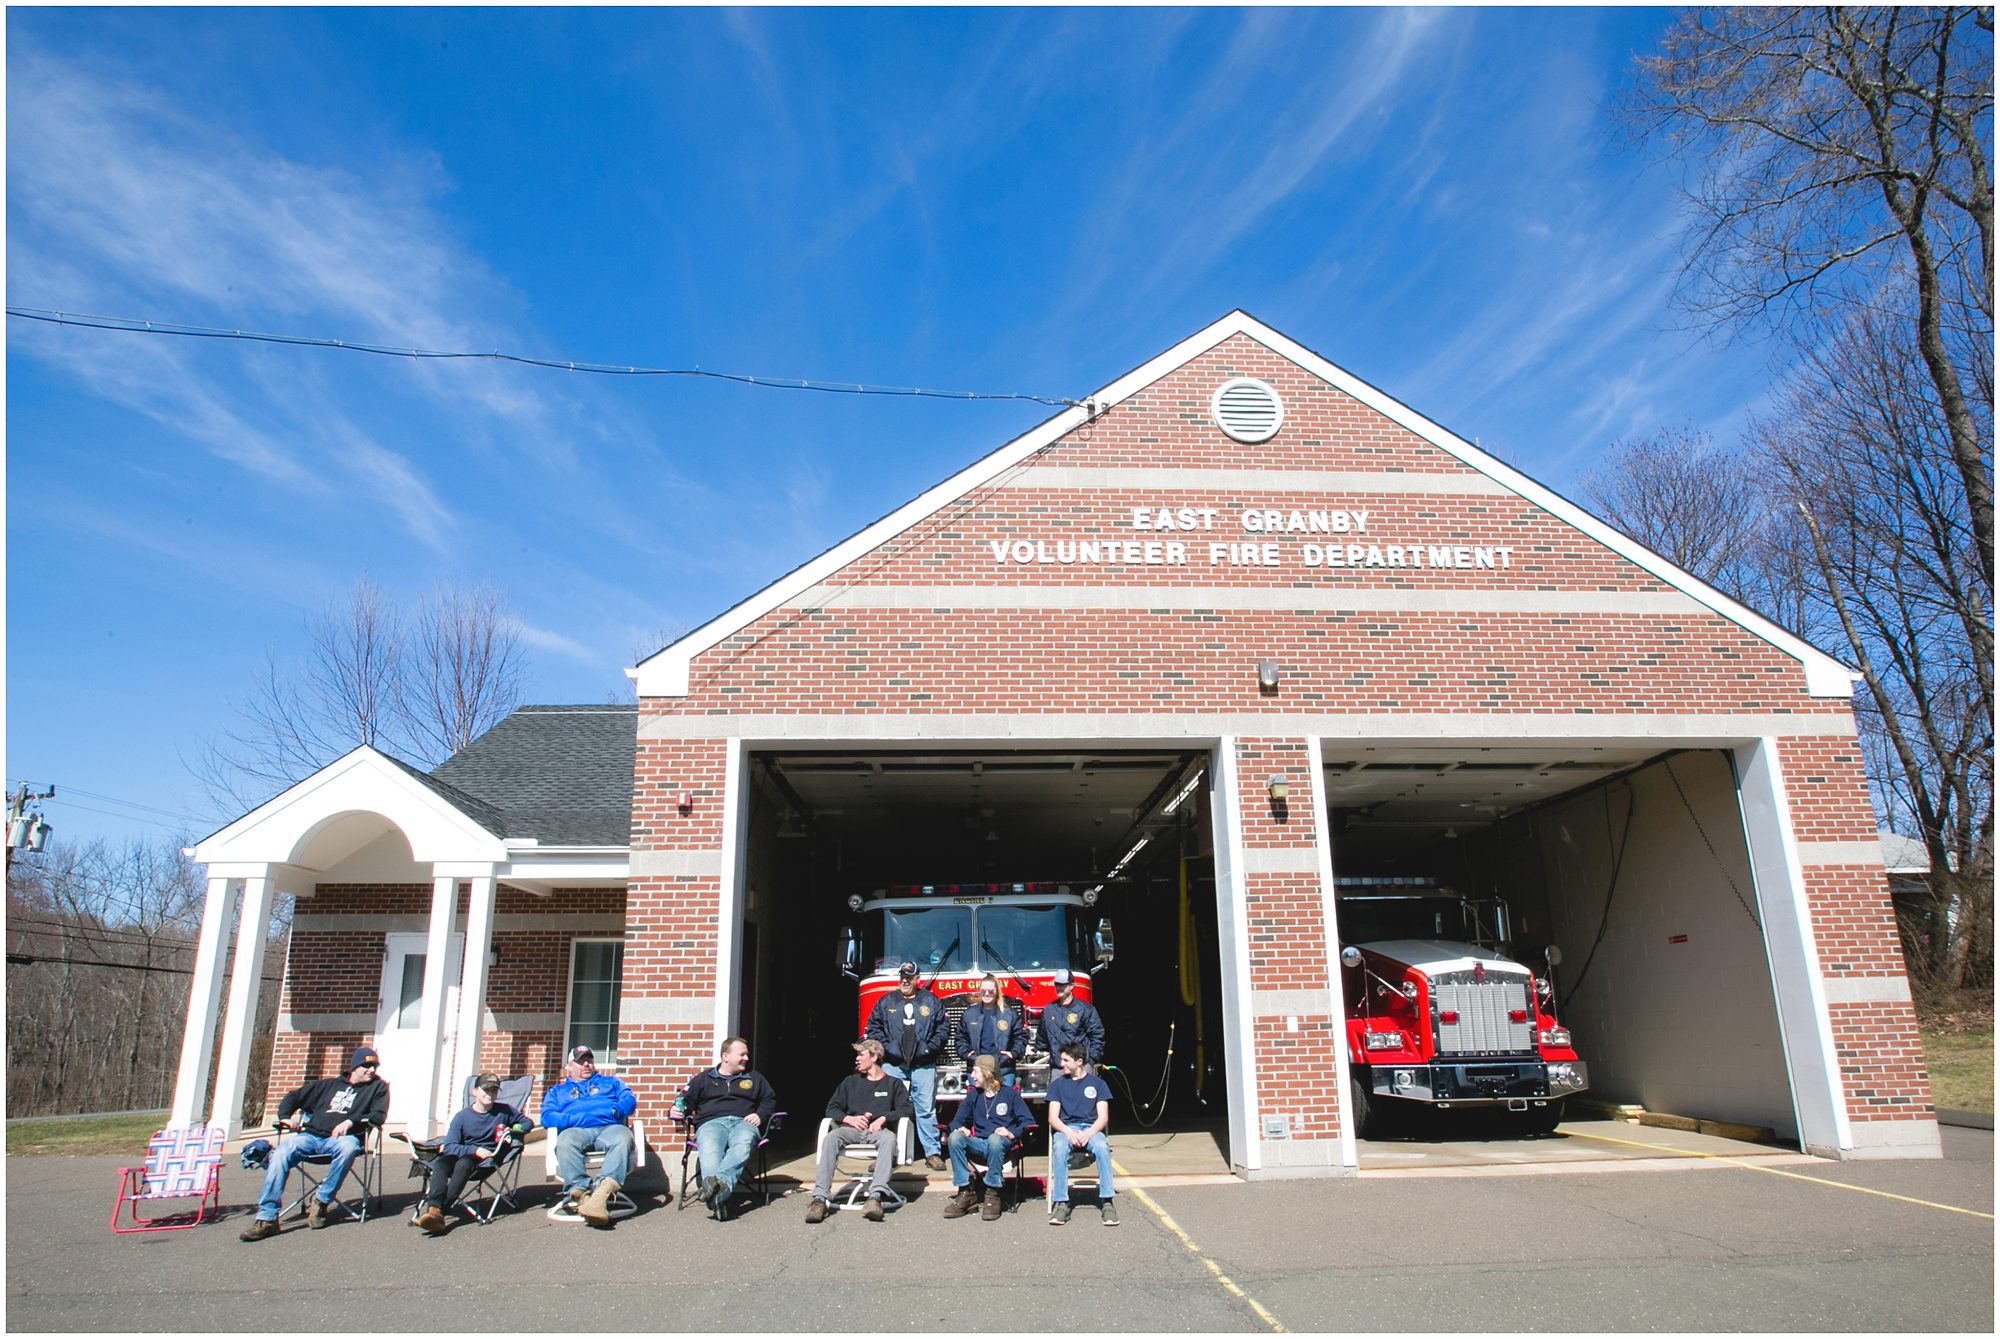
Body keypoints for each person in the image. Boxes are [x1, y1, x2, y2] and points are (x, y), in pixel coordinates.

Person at [239, 1046, 389, 1241]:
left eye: (374, 1066)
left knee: (348, 1147)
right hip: (311, 1137)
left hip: (344, 1139)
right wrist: (285, 1117)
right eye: (366, 1066)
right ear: (354, 1066)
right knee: (281, 1153)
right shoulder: (328, 1085)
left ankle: (321, 1199)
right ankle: (267, 1218)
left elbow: (378, 1115)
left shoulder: (378, 1088)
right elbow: (293, 1097)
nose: (371, 1070)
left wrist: (351, 1121)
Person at [804, 1038, 912, 1224]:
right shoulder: (850, 1082)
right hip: (851, 1130)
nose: (857, 1059)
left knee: (889, 1138)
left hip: (878, 1131)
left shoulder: (893, 1084)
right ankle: (819, 1199)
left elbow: (906, 1109)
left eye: (861, 1055)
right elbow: (832, 1108)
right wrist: (849, 1119)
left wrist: (883, 1117)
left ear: (875, 1056)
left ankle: (875, 1197)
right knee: (831, 1137)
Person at [675, 1035, 778, 1220]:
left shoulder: (754, 1078)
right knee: (710, 1147)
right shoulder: (703, 1079)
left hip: (744, 1122)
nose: (747, 1058)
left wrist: (760, 1115)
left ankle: (716, 1189)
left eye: (746, 1055)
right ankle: (720, 1195)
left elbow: (769, 1100)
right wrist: (677, 1109)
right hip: (710, 1123)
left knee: (743, 1143)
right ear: (725, 1056)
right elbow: (683, 1100)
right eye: (742, 1054)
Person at [415, 1072, 528, 1235]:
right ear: (475, 1092)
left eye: (494, 1091)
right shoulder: (462, 1117)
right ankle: (434, 1209)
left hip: (486, 1160)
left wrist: (513, 1128)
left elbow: (527, 1123)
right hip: (463, 1152)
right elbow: (450, 1146)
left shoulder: (505, 1111)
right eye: (486, 1090)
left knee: (465, 1163)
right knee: (441, 1164)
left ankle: (439, 1212)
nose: (490, 1094)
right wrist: (474, 1150)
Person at [540, 1044, 637, 1227]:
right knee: (565, 1141)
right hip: (576, 1130)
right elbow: (547, 1117)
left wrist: (616, 1110)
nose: (586, 1064)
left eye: (589, 1060)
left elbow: (629, 1101)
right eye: (580, 1061)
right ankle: (581, 1193)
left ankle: (601, 1192)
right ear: (570, 1066)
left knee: (623, 1137)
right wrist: (575, 1119)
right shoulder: (557, 1091)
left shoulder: (612, 1082)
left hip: (609, 1128)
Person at [865, 961, 949, 1170]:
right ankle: (885, 1153)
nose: (904, 980)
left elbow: (943, 1028)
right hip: (893, 1064)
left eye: (909, 977)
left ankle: (932, 1153)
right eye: (902, 976)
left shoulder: (931, 1001)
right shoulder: (886, 1002)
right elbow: (873, 1027)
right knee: (887, 1107)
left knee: (926, 1109)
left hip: (923, 1064)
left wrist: (928, 1049)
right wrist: (887, 1049)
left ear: (917, 979)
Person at [942, 1054, 1034, 1222]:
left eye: (975, 1072)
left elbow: (1028, 1122)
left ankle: (993, 1191)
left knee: (995, 1139)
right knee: (955, 1137)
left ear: (986, 1073)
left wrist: (1011, 1132)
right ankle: (965, 1191)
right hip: (979, 1143)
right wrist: (960, 1128)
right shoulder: (974, 1095)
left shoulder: (1010, 1095)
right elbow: (955, 1122)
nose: (971, 1076)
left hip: (1002, 1144)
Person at [1045, 1042, 1118, 1226]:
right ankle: (1062, 1202)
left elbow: (1103, 1117)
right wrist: (1068, 1132)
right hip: (1066, 1128)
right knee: (1060, 1148)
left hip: (1090, 1128)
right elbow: (1053, 1118)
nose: (1061, 1064)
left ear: (1079, 1061)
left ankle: (1107, 1201)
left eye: (1066, 1060)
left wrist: (1089, 1133)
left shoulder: (1098, 1084)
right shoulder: (1057, 1085)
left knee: (1102, 1147)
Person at [955, 974, 1027, 1086]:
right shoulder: (969, 1014)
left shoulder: (1009, 1014)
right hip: (976, 1068)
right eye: (983, 990)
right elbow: (960, 1037)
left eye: (990, 991)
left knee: (1003, 1102)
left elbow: (1020, 1037)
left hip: (1003, 1069)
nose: (987, 994)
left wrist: (1013, 1054)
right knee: (978, 1102)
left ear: (997, 991)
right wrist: (966, 1054)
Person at [1037, 968, 1105, 1069]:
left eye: (1062, 984)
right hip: (1058, 1068)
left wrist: (1091, 1061)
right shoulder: (1048, 1010)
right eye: (1056, 984)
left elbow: (1097, 1036)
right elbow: (1041, 1039)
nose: (1058, 987)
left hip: (1080, 1068)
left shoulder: (1085, 1009)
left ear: (1071, 986)